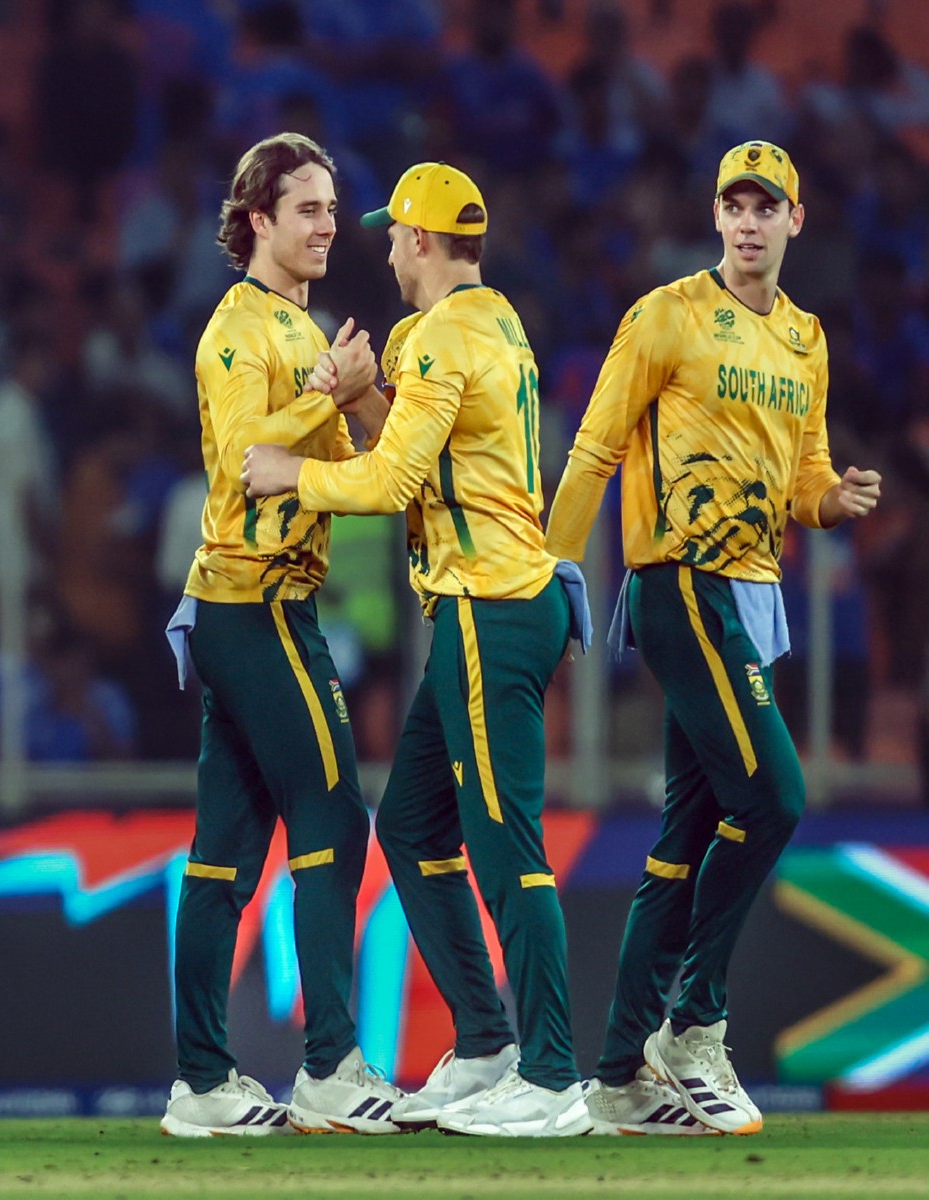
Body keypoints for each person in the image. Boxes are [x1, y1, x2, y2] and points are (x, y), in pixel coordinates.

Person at [244, 161, 592, 1138]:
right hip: (489, 606)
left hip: (489, 608)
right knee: (410, 825)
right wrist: (360, 401)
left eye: (394, 234)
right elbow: (420, 457)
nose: (385, 246)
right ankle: (485, 1044)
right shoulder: (493, 323)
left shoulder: (441, 336)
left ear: (423, 243)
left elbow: (392, 483)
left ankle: (552, 1074)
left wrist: (292, 472)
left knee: (503, 839)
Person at [544, 141, 882, 1137]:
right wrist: (545, 569)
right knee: (774, 796)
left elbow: (803, 477)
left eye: (763, 207)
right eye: (732, 205)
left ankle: (615, 1077)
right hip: (681, 582)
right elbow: (596, 445)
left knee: (681, 843)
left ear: (793, 220)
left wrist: (831, 498)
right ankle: (693, 1025)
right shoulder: (666, 314)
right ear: (715, 217)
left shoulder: (805, 340)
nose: (745, 221)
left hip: (753, 595)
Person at [159, 131, 408, 1139]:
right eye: (307, 208)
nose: (327, 225)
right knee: (334, 815)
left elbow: (359, 462)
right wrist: (323, 398)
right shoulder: (237, 328)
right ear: (257, 218)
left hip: (277, 602)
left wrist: (365, 396)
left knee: (223, 854)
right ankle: (329, 1067)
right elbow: (233, 462)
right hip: (248, 603)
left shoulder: (304, 330)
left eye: (332, 208)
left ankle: (200, 1085)